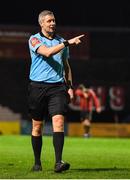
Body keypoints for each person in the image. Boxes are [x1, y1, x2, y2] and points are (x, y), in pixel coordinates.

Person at [28, 10, 84, 173]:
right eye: (49, 21)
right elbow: (47, 52)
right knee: (37, 127)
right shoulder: (34, 39)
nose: (52, 23)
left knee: (58, 122)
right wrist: (68, 42)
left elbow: (66, 66)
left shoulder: (60, 41)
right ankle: (37, 163)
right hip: (37, 87)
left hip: (57, 88)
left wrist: (70, 87)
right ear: (41, 23)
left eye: (54, 20)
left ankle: (58, 162)